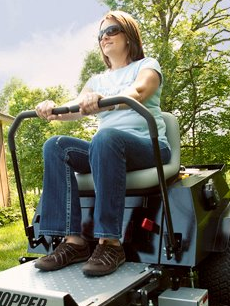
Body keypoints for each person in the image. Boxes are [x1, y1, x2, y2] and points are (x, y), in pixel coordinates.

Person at [34, 10, 171, 276]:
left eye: (112, 31)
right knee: (55, 145)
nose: (104, 37)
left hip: (148, 146)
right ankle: (73, 241)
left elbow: (140, 91)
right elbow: (74, 108)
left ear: (129, 36)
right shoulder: (97, 80)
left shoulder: (146, 65)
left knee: (106, 137)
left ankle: (110, 243)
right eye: (100, 34)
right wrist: (52, 107)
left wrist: (105, 102)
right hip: (106, 149)